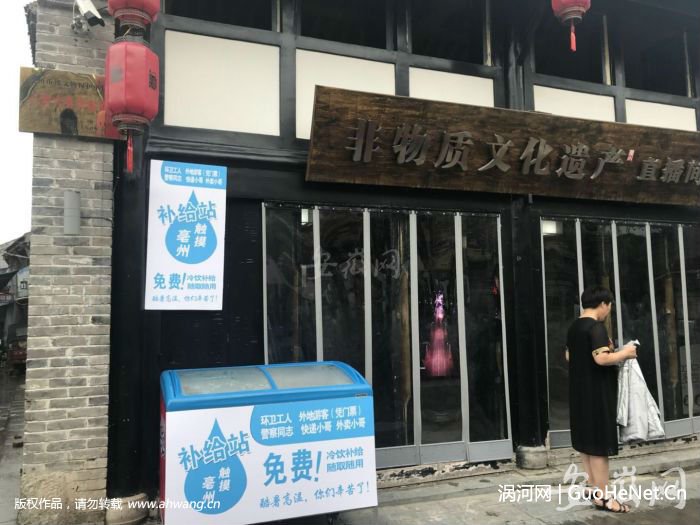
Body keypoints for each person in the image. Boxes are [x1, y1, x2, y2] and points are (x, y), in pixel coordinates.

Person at [566, 286, 637, 513]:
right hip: (596, 393)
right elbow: (601, 359)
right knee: (598, 446)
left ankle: (594, 490)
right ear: (603, 304)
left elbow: (569, 356)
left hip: (578, 393)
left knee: (585, 443)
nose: (609, 311)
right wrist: (626, 353)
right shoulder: (595, 327)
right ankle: (606, 497)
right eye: (610, 306)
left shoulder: (574, 327)